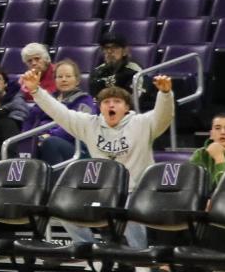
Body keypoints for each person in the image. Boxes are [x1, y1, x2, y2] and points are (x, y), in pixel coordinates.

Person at [26, 74, 174, 248]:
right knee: (63, 207)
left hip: (137, 192)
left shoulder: (142, 123)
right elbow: (59, 112)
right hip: (103, 193)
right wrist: (36, 91)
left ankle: (139, 257)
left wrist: (165, 94)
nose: (111, 105)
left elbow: (163, 116)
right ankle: (88, 248)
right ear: (100, 107)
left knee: (126, 211)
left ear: (126, 107)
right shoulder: (90, 124)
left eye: (117, 102)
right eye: (106, 102)